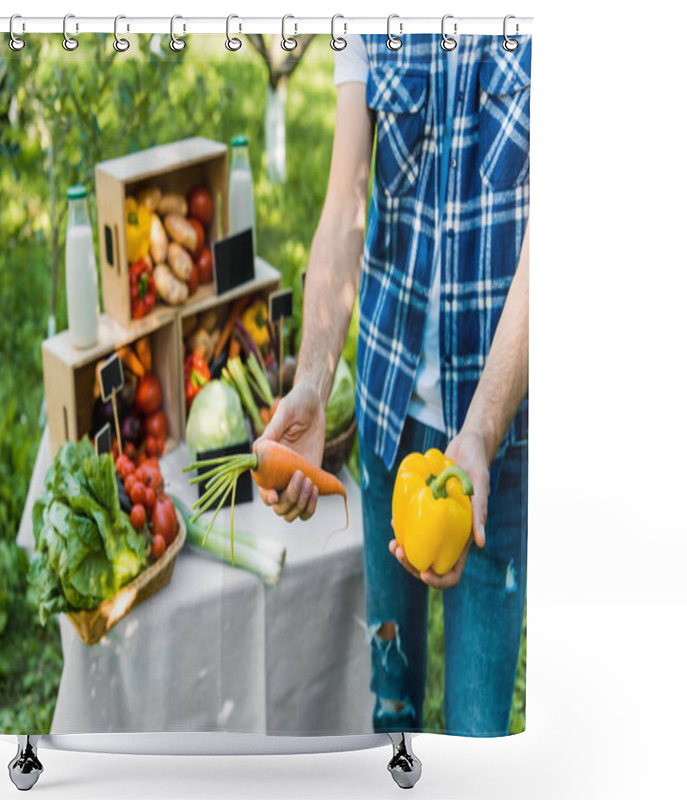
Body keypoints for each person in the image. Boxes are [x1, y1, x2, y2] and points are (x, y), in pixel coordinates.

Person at [256, 32, 531, 736]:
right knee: (391, 702)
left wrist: (479, 433)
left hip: (498, 444)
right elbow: (344, 210)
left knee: (479, 733)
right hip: (388, 415)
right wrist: (314, 379)